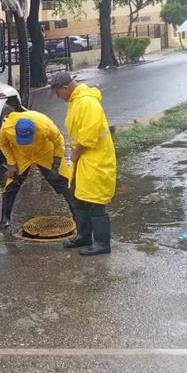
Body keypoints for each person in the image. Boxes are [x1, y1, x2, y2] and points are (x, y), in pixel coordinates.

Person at [50, 72, 117, 256]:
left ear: (65, 88)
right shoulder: (75, 101)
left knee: (95, 202)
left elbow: (88, 136)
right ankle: (84, 236)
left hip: (95, 159)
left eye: (58, 93)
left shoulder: (87, 102)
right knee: (79, 198)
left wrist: (75, 154)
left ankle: (102, 245)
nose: (58, 97)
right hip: (84, 159)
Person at [0, 102, 75, 230]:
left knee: (62, 181)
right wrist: (11, 163)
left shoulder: (44, 124)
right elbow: (3, 144)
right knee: (12, 184)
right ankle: (5, 219)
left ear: (34, 130)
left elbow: (59, 141)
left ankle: (77, 214)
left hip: (44, 152)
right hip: (22, 155)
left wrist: (55, 164)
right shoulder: (6, 129)